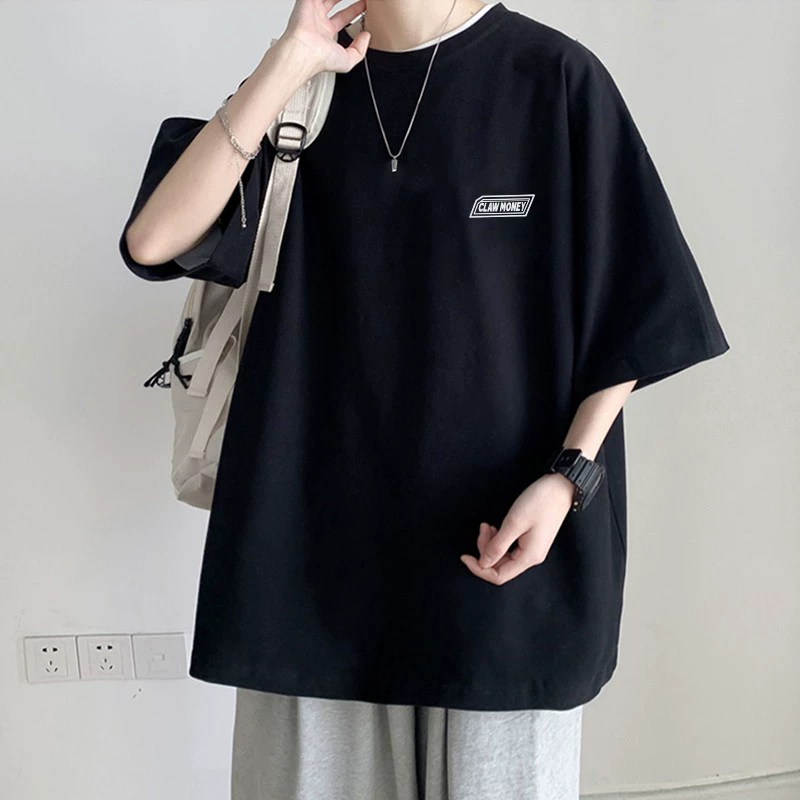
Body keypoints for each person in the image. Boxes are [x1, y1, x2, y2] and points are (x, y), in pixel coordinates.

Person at [119, 1, 731, 797]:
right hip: (309, 561)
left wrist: (569, 478)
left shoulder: (553, 77)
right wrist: (288, 60)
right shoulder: (302, 90)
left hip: (498, 553)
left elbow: (637, 303)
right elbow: (153, 243)